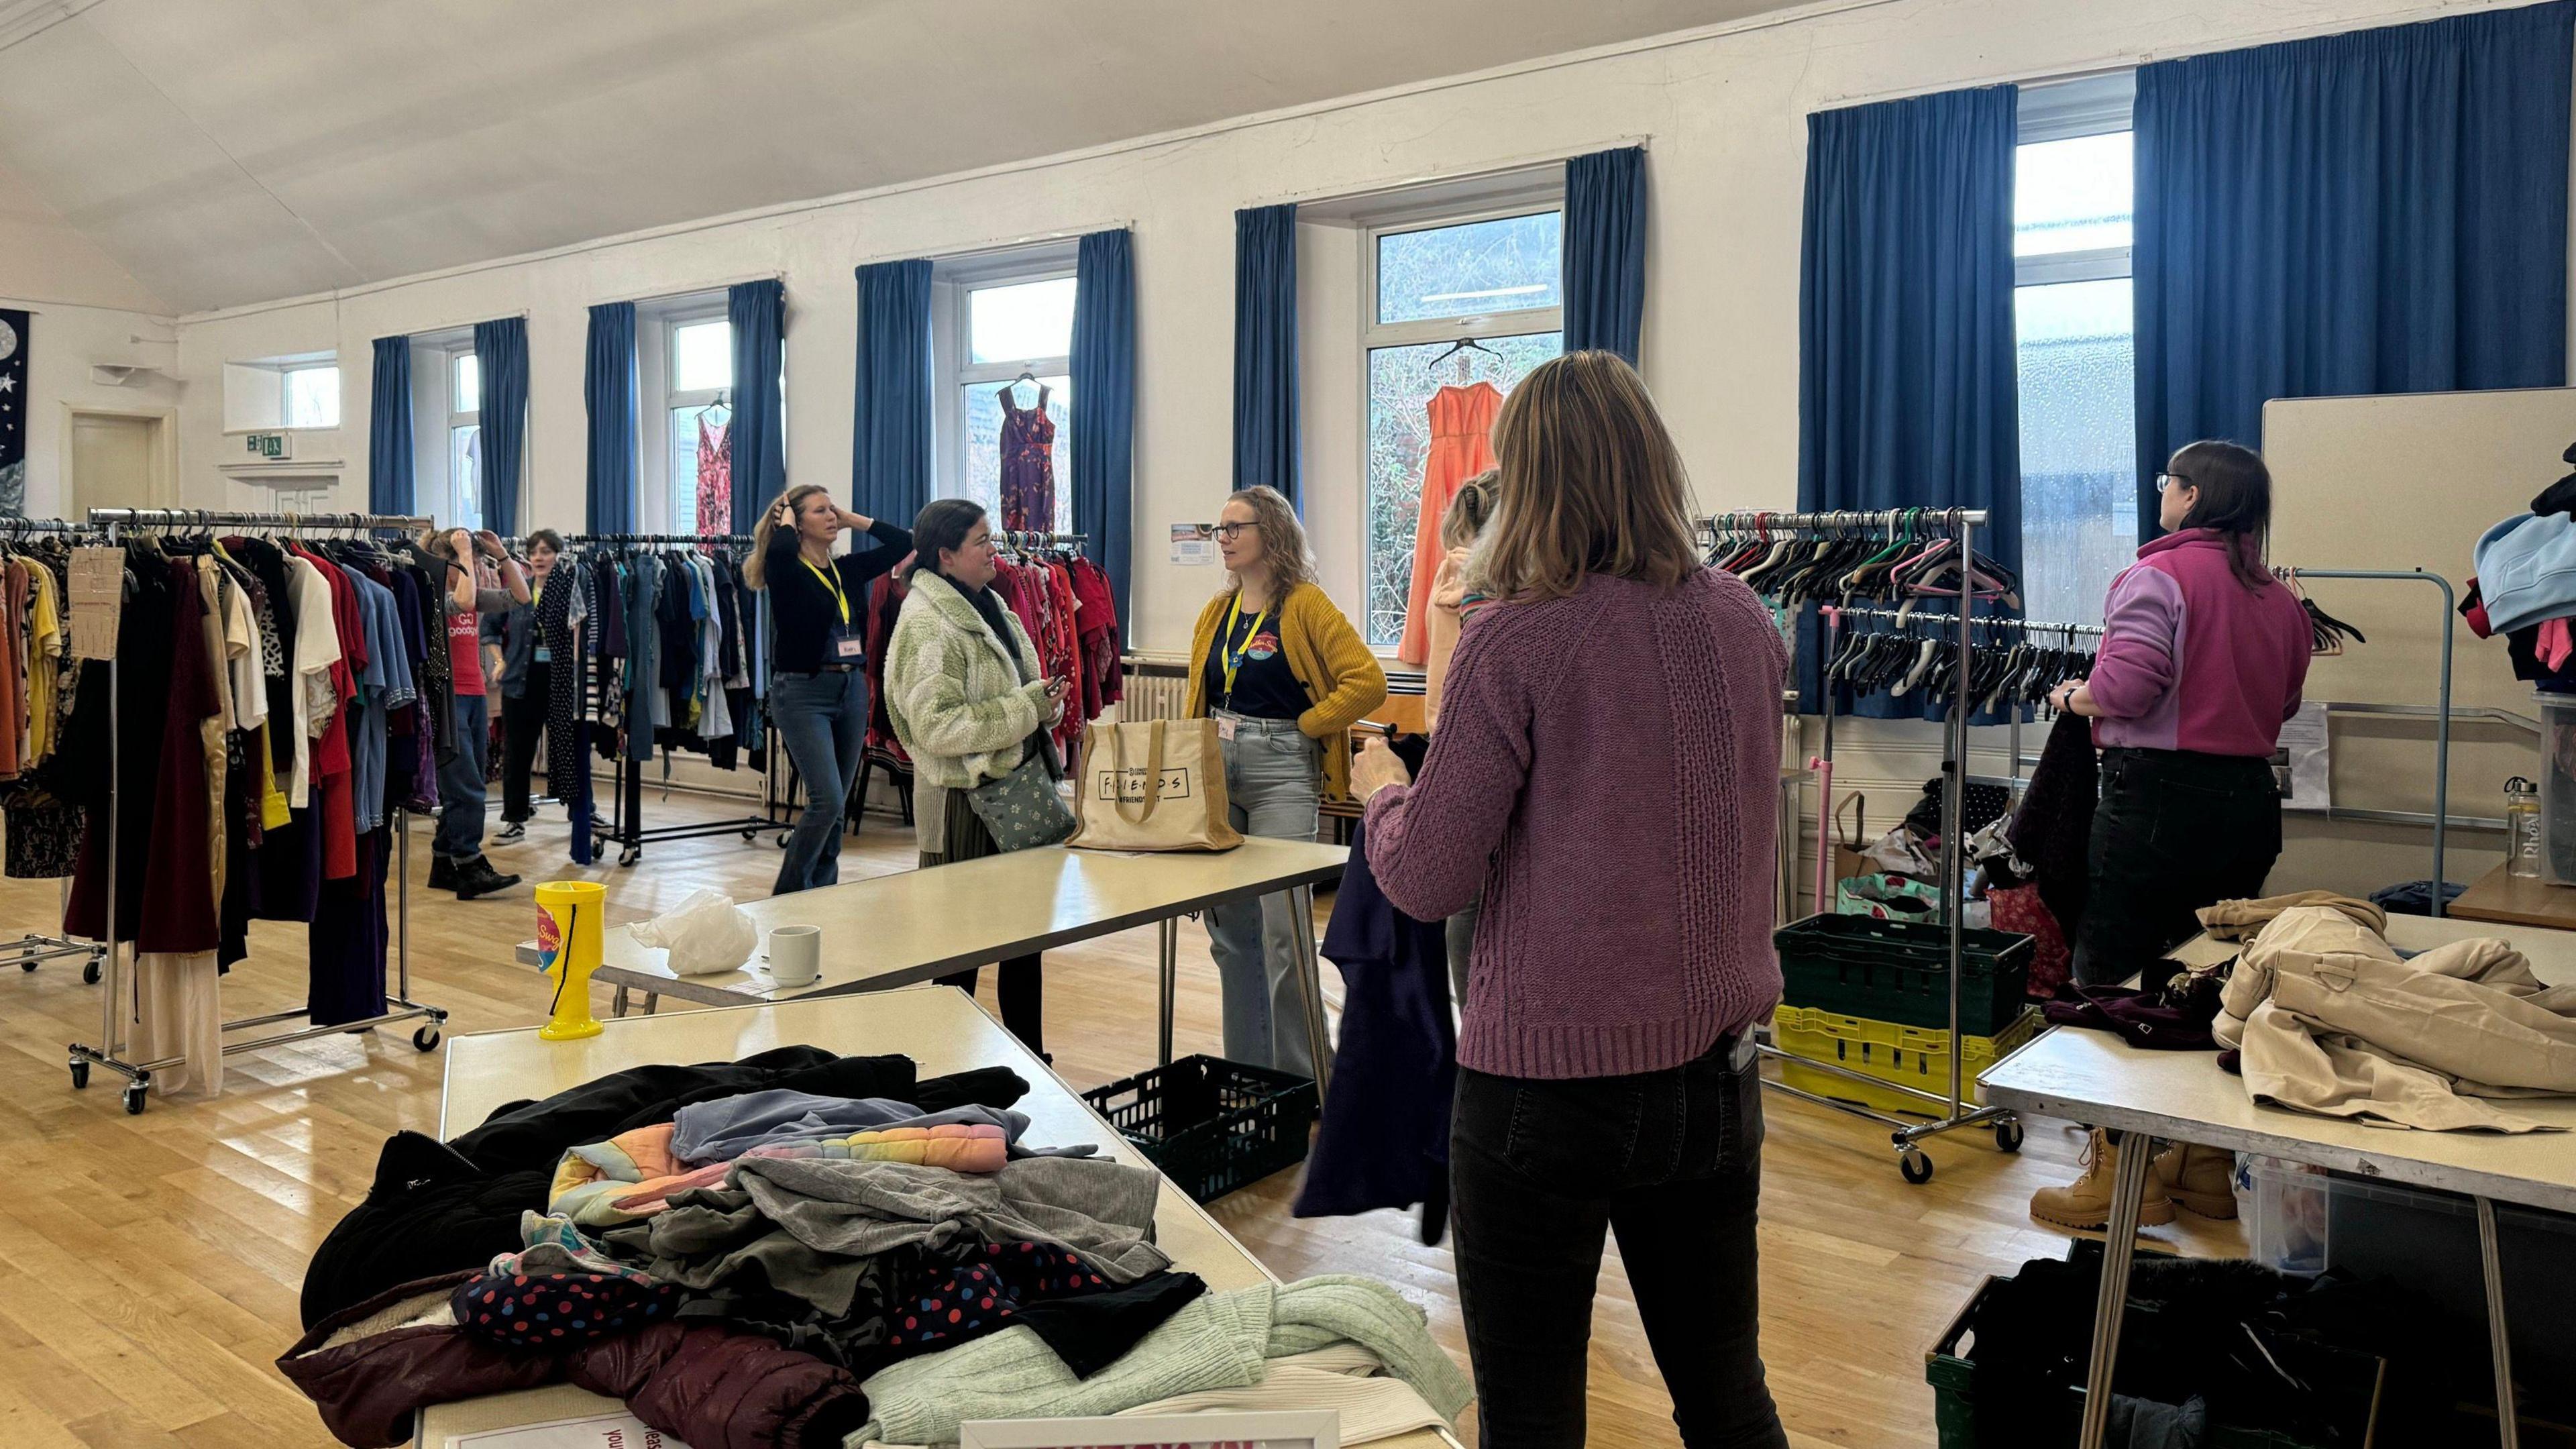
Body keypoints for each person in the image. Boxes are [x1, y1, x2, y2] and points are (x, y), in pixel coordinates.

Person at [1351, 350, 1791, 1449]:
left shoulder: (1517, 633)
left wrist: (1382, 796)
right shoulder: (1743, 620)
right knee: (1726, 1392)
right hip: (1715, 1074)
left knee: (1533, 1414)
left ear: (1529, 476)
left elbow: (1428, 877)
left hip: (1546, 1088)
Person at [2029, 440, 2312, 1231]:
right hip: (2249, 804)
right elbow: (2285, 704)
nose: (2163, 494)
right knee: (2212, 984)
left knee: (2112, 981)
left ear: (2191, 498)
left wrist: (2074, 697)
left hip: (2155, 801)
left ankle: (2120, 1179)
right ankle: (2202, 1172)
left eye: (2169, 483)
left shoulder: (2155, 575)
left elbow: (2127, 685)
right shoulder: (2281, 601)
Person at [1185, 485, 1387, 1078]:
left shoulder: (1306, 605)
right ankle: (1249, 1073)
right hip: (1221, 768)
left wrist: (1308, 723)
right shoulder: (1216, 612)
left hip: (1281, 768)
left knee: (1283, 933)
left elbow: (1366, 681)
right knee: (1232, 937)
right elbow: (1202, 692)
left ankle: (1302, 1076)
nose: (1222, 539)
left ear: (1270, 533)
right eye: (1218, 528)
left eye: (1233, 528)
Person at [884, 498, 1065, 1055]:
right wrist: (1028, 710)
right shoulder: (926, 623)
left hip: (1011, 794)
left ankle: (1031, 1062)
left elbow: (1023, 690)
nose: (996, 548)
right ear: (945, 556)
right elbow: (937, 728)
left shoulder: (988, 604)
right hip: (964, 804)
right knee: (959, 955)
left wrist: (1045, 704)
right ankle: (946, 1070)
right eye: (982, 540)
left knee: (1022, 943)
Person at [749, 484, 914, 894]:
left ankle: (824, 894)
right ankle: (787, 896)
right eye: (820, 511)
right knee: (826, 800)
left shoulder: (847, 570)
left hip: (851, 689)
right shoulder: (785, 570)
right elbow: (782, 553)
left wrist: (852, 518)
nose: (831, 517)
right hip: (803, 692)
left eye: (832, 510)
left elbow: (905, 543)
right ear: (796, 524)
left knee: (836, 807)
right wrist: (784, 523)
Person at [1423, 471, 1495, 1010]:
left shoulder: (1453, 576)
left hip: (1446, 742)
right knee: (1477, 904)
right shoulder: (1485, 586)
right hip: (1477, 745)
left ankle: (1475, 1029)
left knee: (1465, 900)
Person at [426, 527, 529, 900]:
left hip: (474, 696)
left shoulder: (468, 594)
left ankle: (443, 861)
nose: (466, 570)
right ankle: (468, 864)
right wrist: (465, 555)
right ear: (443, 566)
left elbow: (520, 597)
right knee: (467, 789)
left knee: (466, 785)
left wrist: (501, 554)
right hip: (447, 700)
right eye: (458, 565)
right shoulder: (430, 599)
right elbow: (465, 601)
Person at [492, 528, 565, 843]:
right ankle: (515, 817)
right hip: (519, 682)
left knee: (567, 752)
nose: (539, 557)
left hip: (558, 681)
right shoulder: (515, 590)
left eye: (546, 551)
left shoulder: (569, 588)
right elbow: (490, 628)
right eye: (534, 551)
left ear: (558, 556)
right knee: (518, 755)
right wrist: (500, 660)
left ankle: (580, 810)